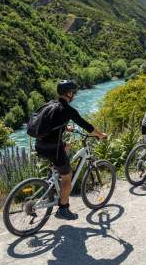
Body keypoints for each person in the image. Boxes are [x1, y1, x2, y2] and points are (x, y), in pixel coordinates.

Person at [35, 80, 107, 220]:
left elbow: (50, 124)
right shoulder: (68, 110)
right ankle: (63, 209)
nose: (74, 95)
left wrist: (66, 128)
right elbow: (87, 126)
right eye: (73, 92)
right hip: (52, 147)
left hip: (40, 145)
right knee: (68, 176)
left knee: (65, 147)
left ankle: (53, 184)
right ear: (69, 93)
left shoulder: (50, 104)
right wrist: (100, 135)